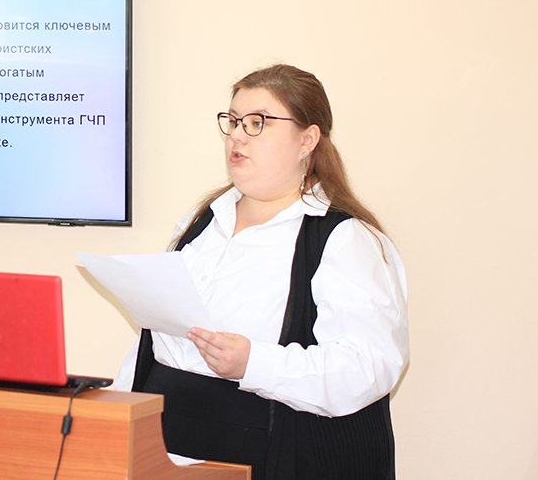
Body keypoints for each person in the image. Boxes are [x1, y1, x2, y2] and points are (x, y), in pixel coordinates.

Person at [114, 64, 409, 480]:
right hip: (167, 449)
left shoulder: (344, 239)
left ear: (307, 139)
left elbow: (367, 367)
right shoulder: (202, 222)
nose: (237, 135)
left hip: (273, 453)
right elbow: (158, 342)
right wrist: (114, 416)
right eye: (233, 121)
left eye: (258, 123)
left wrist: (253, 362)